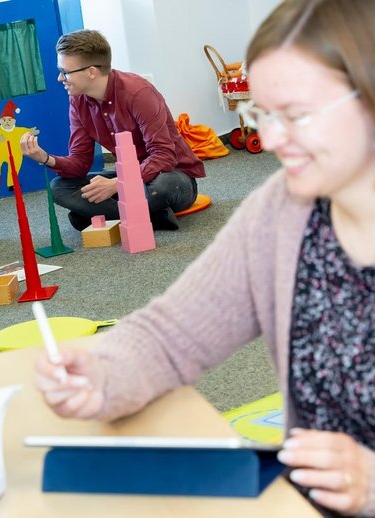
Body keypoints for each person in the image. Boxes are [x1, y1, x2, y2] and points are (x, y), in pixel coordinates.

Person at [34, 1, 375, 515]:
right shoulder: (283, 210)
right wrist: (106, 371)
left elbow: (164, 158)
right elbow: (174, 333)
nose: (275, 140)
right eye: (263, 114)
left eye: (298, 115)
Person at [19, 29, 205, 232]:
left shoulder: (139, 93)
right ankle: (152, 216)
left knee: (164, 187)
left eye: (65, 72)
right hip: (131, 178)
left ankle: (103, 216)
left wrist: (119, 183)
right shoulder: (77, 101)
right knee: (60, 187)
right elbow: (80, 163)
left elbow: (164, 156)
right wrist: (45, 158)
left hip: (172, 177)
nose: (60, 79)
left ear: (91, 71)